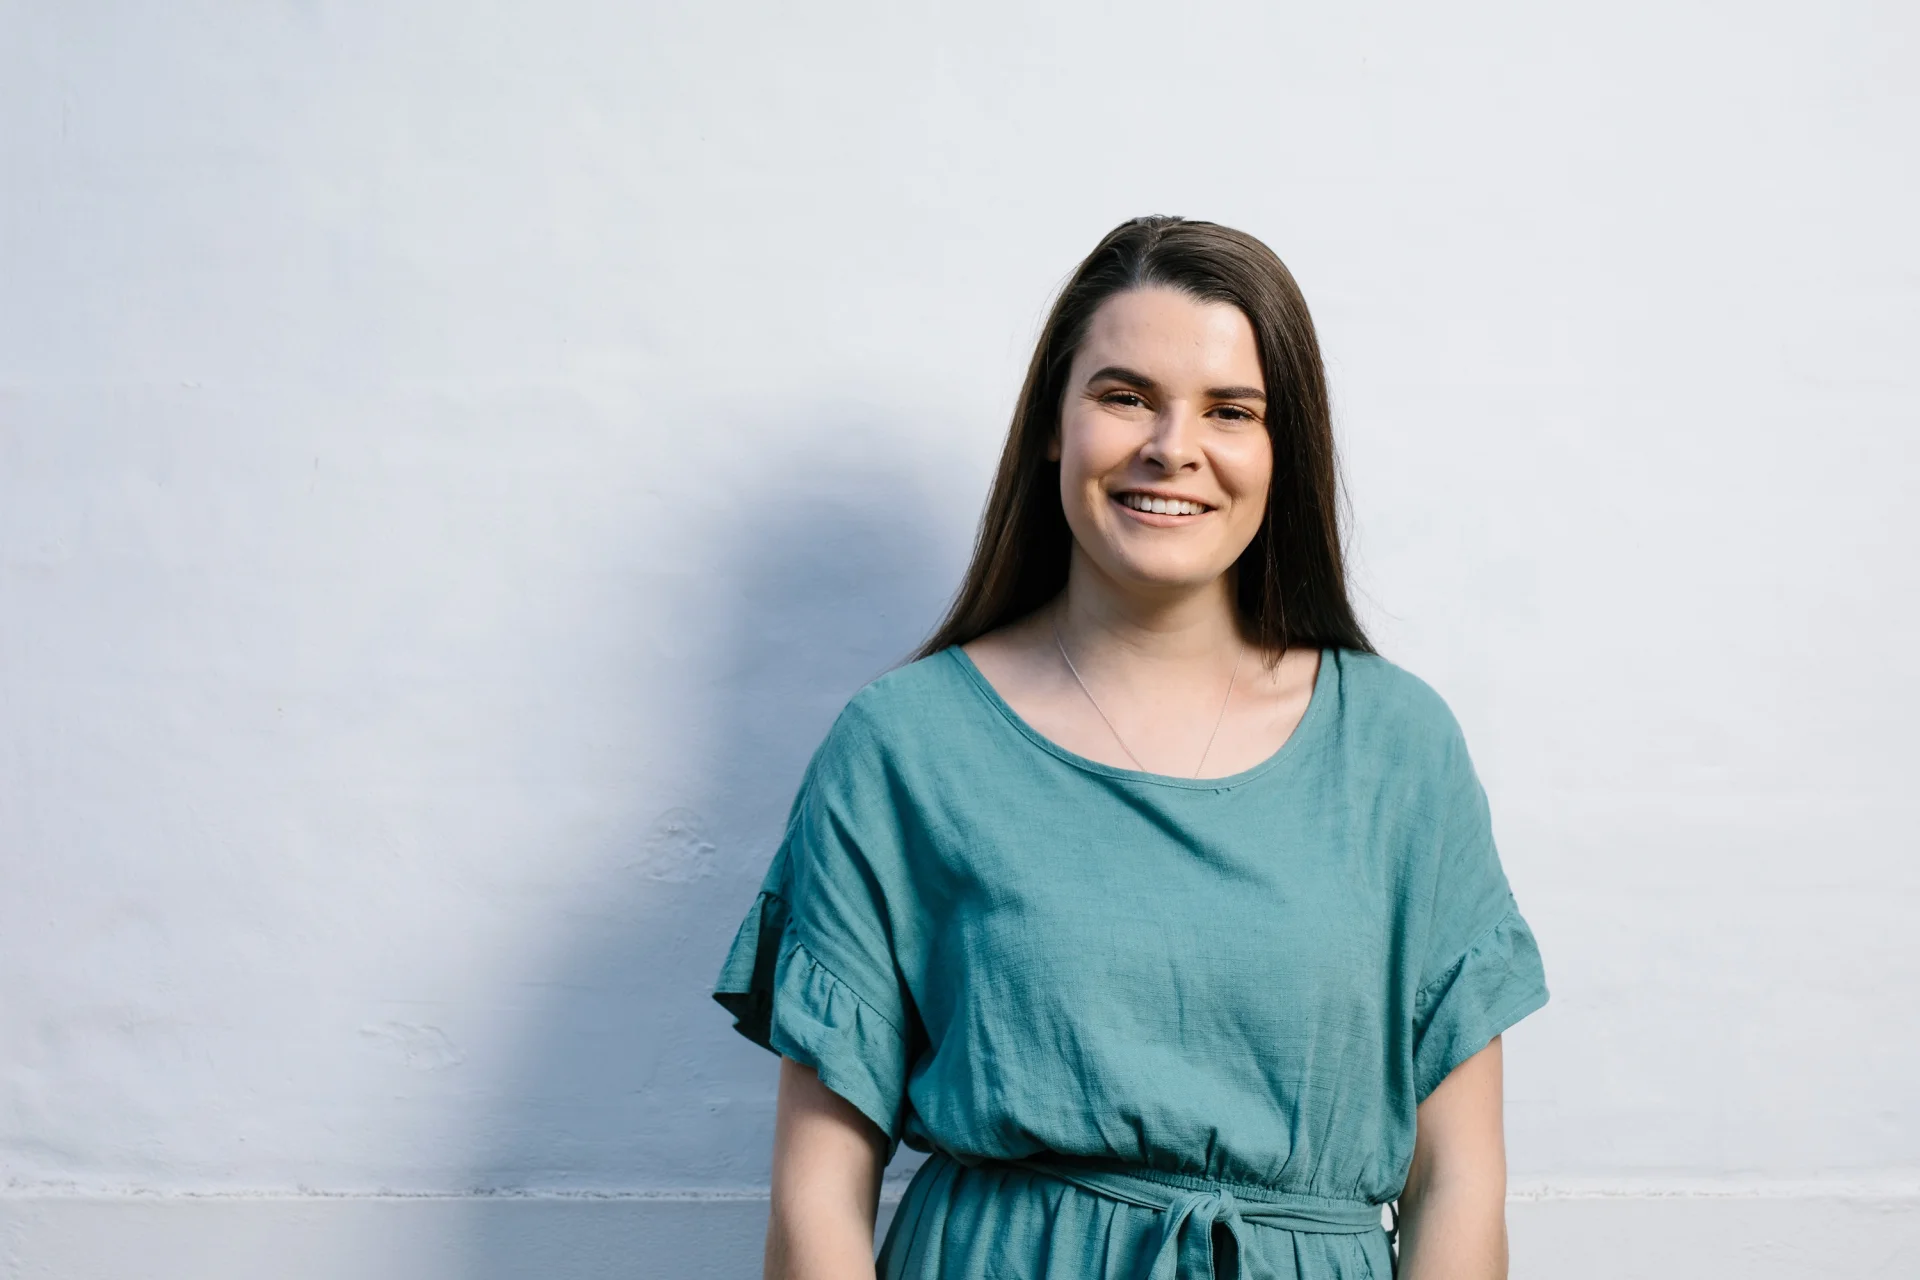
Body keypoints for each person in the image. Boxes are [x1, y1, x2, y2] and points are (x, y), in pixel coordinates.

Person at [712, 215, 1551, 1279]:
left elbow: (1460, 1180)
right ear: (1053, 426)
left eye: (1229, 410)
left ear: (1281, 449)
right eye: (1125, 395)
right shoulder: (903, 746)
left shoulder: (1400, 748)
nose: (1172, 446)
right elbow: (817, 1191)